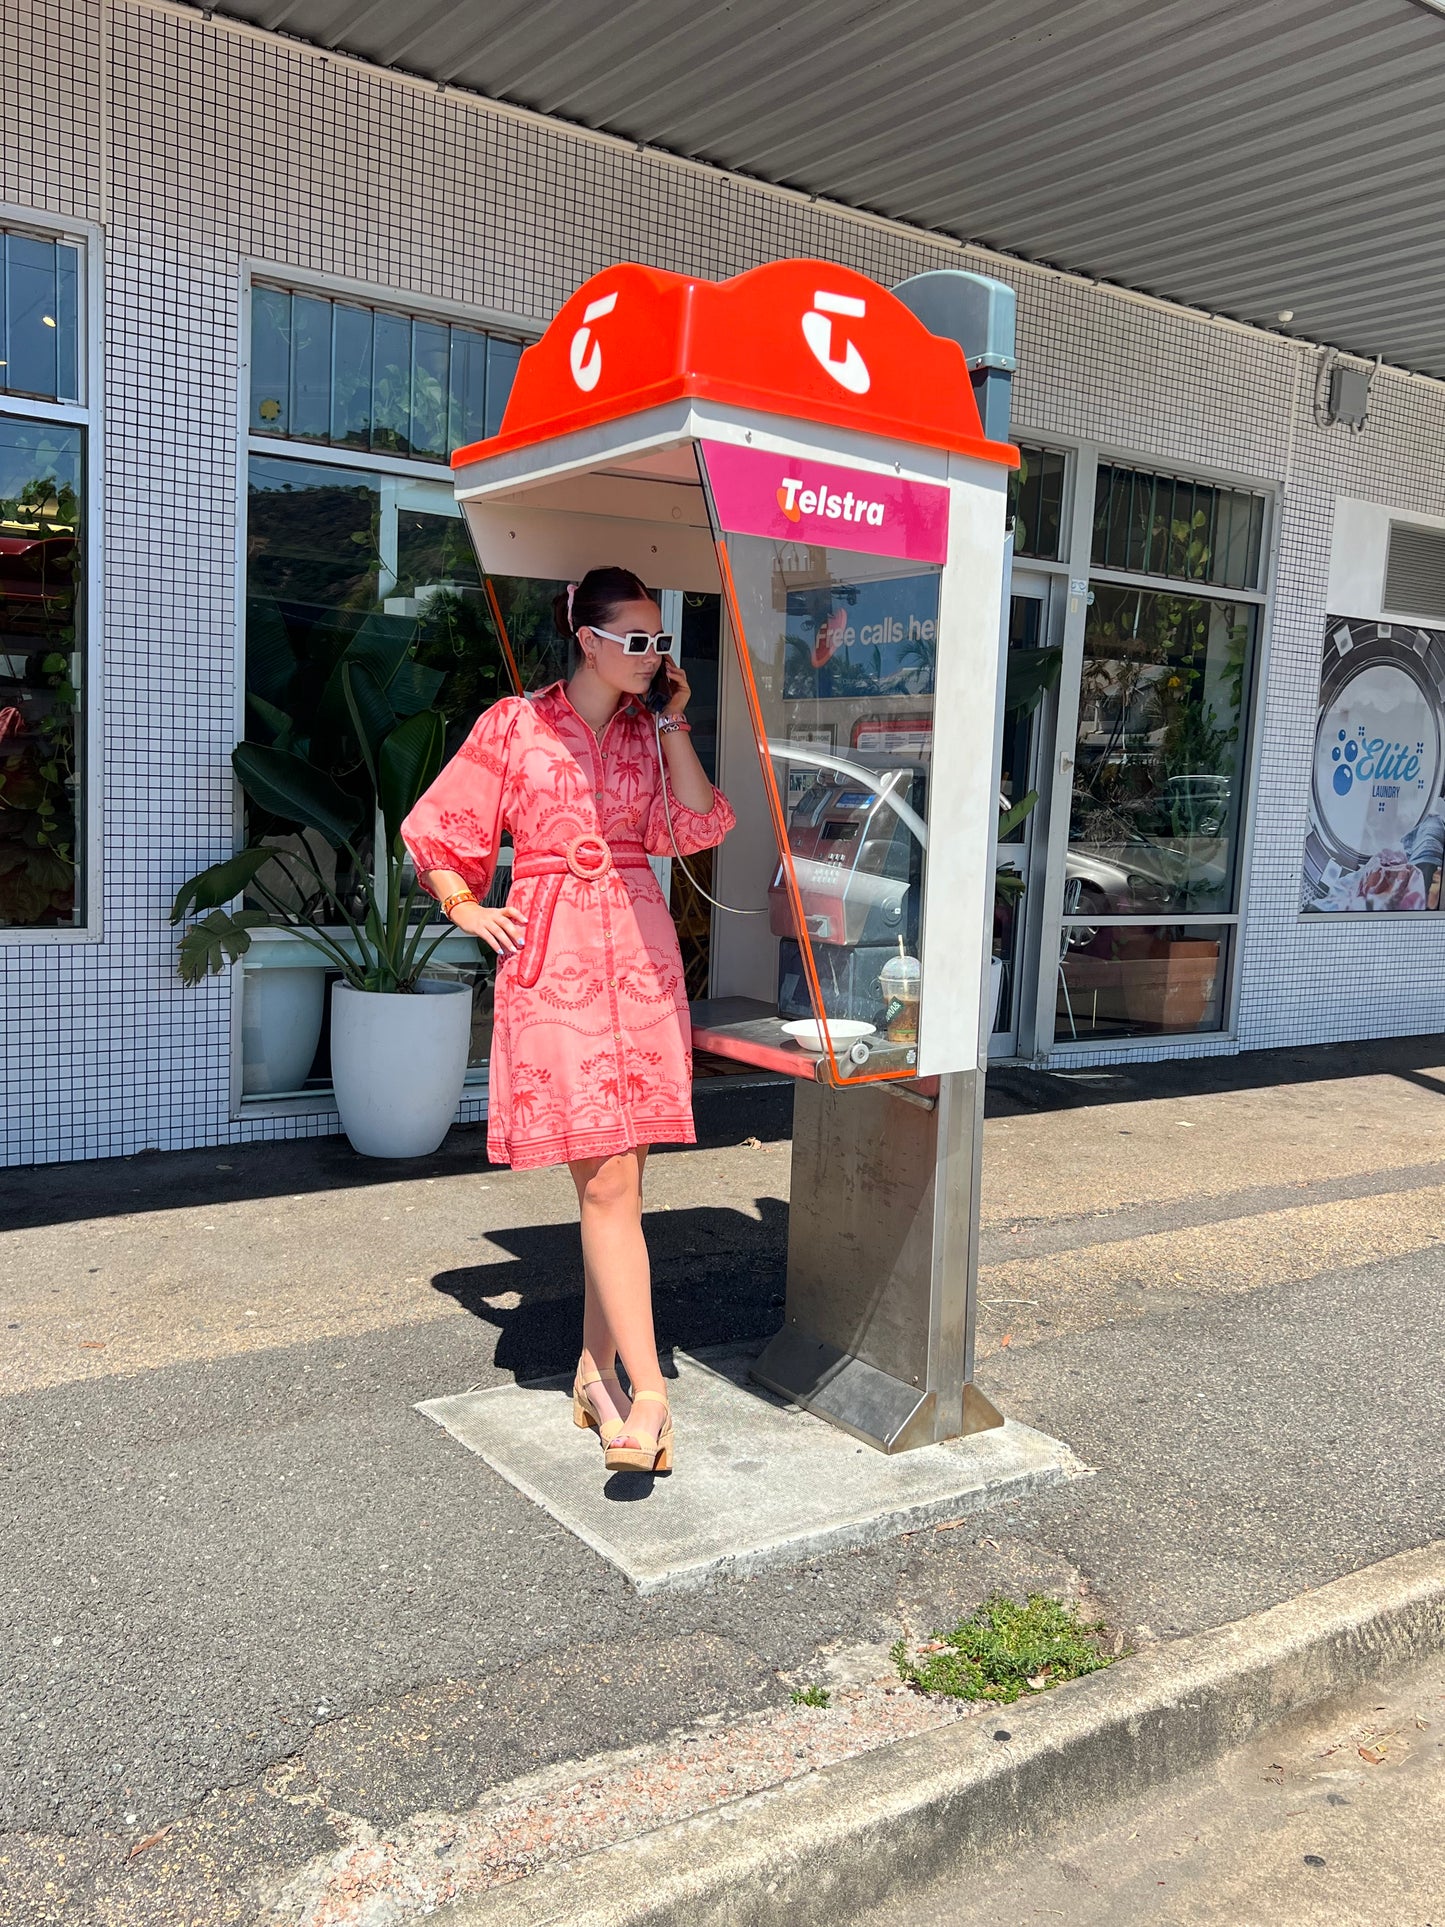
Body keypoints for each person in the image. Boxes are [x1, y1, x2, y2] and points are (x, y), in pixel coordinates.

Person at [401, 567, 734, 1476]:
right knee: (603, 1185)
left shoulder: (647, 729)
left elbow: (699, 825)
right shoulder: (514, 722)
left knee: (619, 1179)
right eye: (634, 639)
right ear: (585, 638)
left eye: (659, 639)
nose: (650, 654)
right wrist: (463, 904)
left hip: (637, 949)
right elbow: (437, 821)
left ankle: (594, 1376)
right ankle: (651, 1391)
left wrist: (671, 719)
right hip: (553, 957)